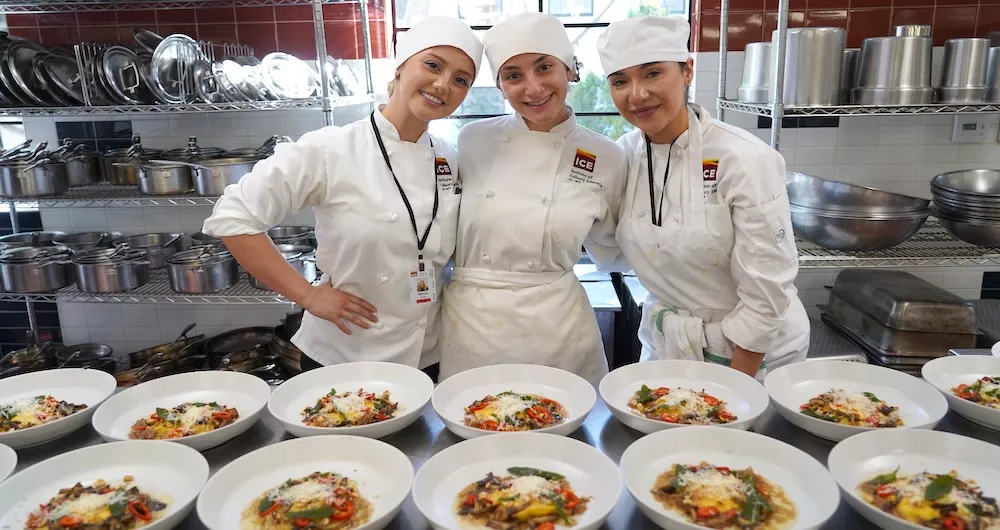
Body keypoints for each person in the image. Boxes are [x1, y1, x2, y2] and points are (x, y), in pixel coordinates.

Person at [201, 17, 484, 376]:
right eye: (432, 65)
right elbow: (233, 215)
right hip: (345, 354)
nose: (443, 84)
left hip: (427, 355)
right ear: (400, 66)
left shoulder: (449, 156)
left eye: (461, 80)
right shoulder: (330, 148)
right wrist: (307, 295)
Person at [595, 16, 809, 381]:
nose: (637, 94)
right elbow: (610, 248)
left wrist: (735, 388)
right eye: (620, 81)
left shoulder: (743, 158)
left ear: (688, 71)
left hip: (752, 355)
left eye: (652, 73)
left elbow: (768, 283)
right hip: (670, 343)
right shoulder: (623, 156)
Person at [438, 12, 628, 383]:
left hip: (558, 330)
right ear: (500, 86)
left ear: (570, 70)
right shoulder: (472, 140)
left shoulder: (606, 156)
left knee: (567, 432)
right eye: (513, 76)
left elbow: (615, 246)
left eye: (544, 68)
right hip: (473, 328)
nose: (533, 88)